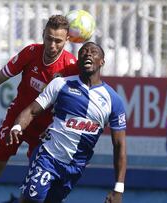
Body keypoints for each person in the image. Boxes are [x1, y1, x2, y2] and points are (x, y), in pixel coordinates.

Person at [0, 15, 79, 186]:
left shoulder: (71, 67)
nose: (52, 45)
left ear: (67, 40)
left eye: (58, 41)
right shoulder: (31, 52)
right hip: (17, 117)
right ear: (43, 34)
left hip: (45, 129)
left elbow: (74, 105)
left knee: (39, 181)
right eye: (49, 39)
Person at [8, 42, 127, 203]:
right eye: (83, 51)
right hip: (48, 156)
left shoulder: (113, 100)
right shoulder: (61, 84)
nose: (88, 54)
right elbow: (31, 110)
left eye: (93, 52)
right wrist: (17, 126)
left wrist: (118, 188)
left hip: (74, 167)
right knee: (31, 201)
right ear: (78, 61)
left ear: (102, 61)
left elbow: (119, 145)